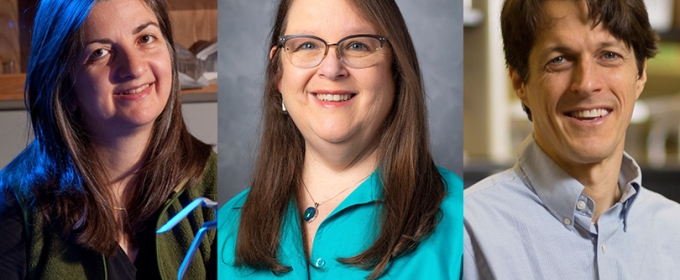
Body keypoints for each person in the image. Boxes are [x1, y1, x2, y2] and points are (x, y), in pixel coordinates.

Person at [218, 0, 463, 279]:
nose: (332, 69)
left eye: (358, 45)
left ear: (395, 70)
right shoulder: (224, 227)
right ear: (279, 74)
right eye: (307, 46)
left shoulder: (464, 225)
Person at [0, 0, 217, 279]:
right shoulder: (12, 209)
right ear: (65, 84)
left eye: (145, 38)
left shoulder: (217, 191)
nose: (135, 67)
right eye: (100, 52)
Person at [464, 0, 680, 279]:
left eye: (609, 55)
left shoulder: (674, 232)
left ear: (640, 74)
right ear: (520, 82)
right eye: (559, 59)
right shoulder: (467, 236)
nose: (587, 83)